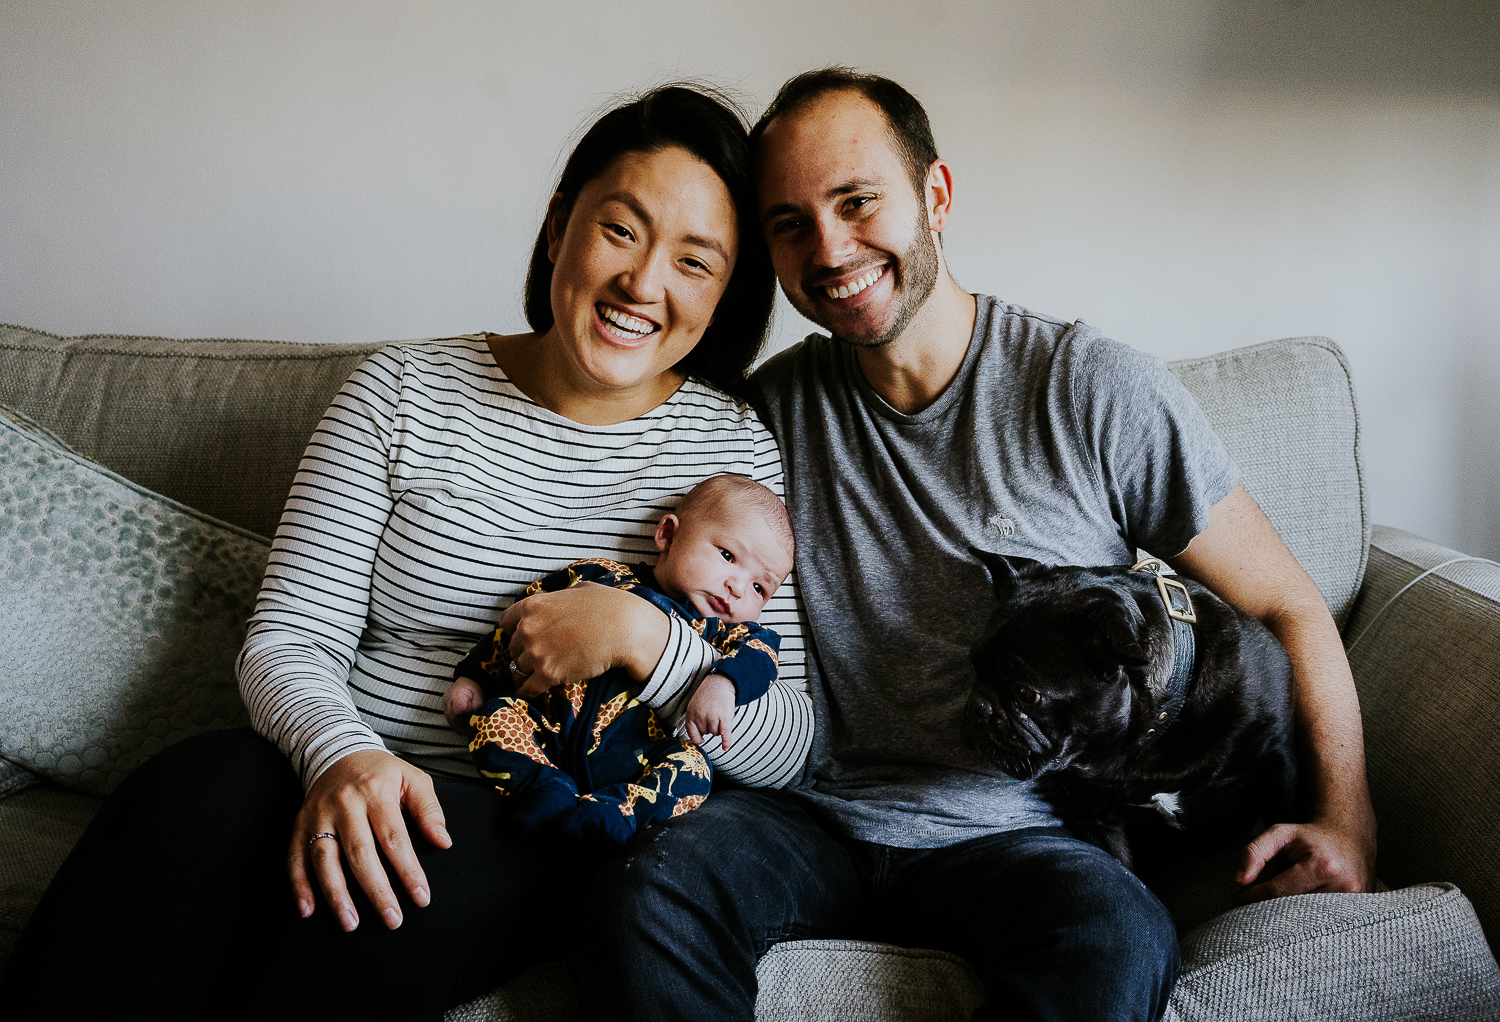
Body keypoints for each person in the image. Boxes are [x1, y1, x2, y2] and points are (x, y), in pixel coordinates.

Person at [573, 69, 1378, 1022]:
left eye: (857, 201)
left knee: (1118, 939)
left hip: (1022, 836)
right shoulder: (768, 415)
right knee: (652, 890)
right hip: (808, 815)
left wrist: (1348, 817)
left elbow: (1286, 600)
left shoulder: (1091, 389)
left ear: (936, 196)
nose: (830, 249)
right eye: (791, 224)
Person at [0, 84, 813, 1020]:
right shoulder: (403, 388)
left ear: (724, 293)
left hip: (538, 810)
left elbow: (790, 742)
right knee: (183, 798)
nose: (643, 283)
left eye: (694, 261)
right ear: (559, 228)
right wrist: (342, 758)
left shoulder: (732, 453)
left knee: (365, 907)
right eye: (621, 230)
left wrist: (649, 642)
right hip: (349, 757)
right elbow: (287, 642)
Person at [444, 472, 795, 847]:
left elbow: (762, 658)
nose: (738, 587)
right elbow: (527, 619)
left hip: (638, 761)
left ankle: (619, 813)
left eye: (760, 587)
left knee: (695, 771)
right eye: (727, 555)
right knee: (493, 718)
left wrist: (724, 683)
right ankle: (543, 788)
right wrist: (473, 677)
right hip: (544, 728)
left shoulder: (729, 634)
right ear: (668, 535)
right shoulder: (598, 575)